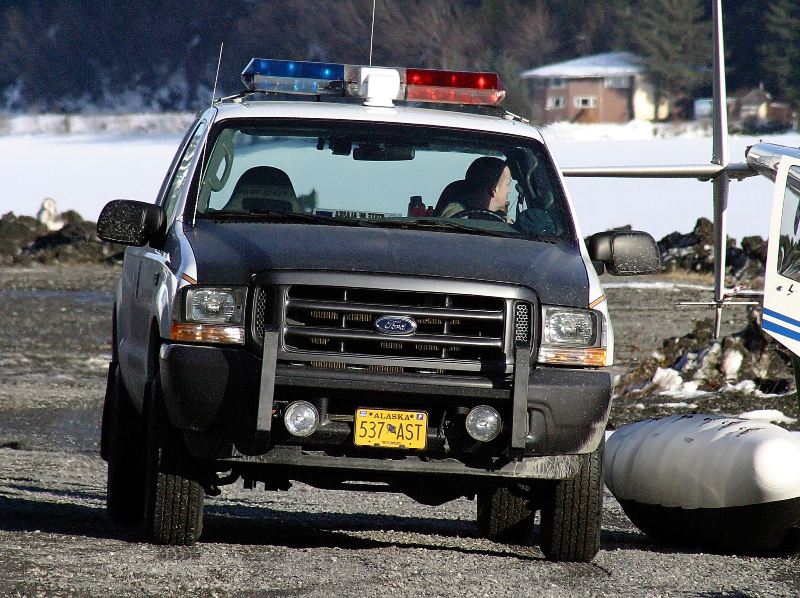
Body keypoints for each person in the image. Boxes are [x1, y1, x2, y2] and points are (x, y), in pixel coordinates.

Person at [435, 156, 511, 220]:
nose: (509, 191)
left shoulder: (504, 220)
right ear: (494, 189)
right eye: (507, 185)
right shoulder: (455, 213)